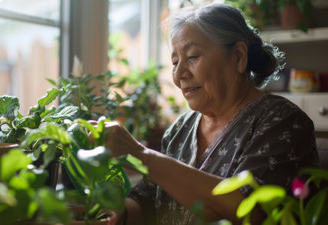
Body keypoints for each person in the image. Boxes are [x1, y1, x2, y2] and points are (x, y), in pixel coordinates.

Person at [102, 3, 319, 225]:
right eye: (175, 62)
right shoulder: (180, 130)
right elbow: (148, 202)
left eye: (193, 57)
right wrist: (115, 213)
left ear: (238, 56)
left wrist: (140, 154)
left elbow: (251, 211)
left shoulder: (283, 121)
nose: (179, 75)